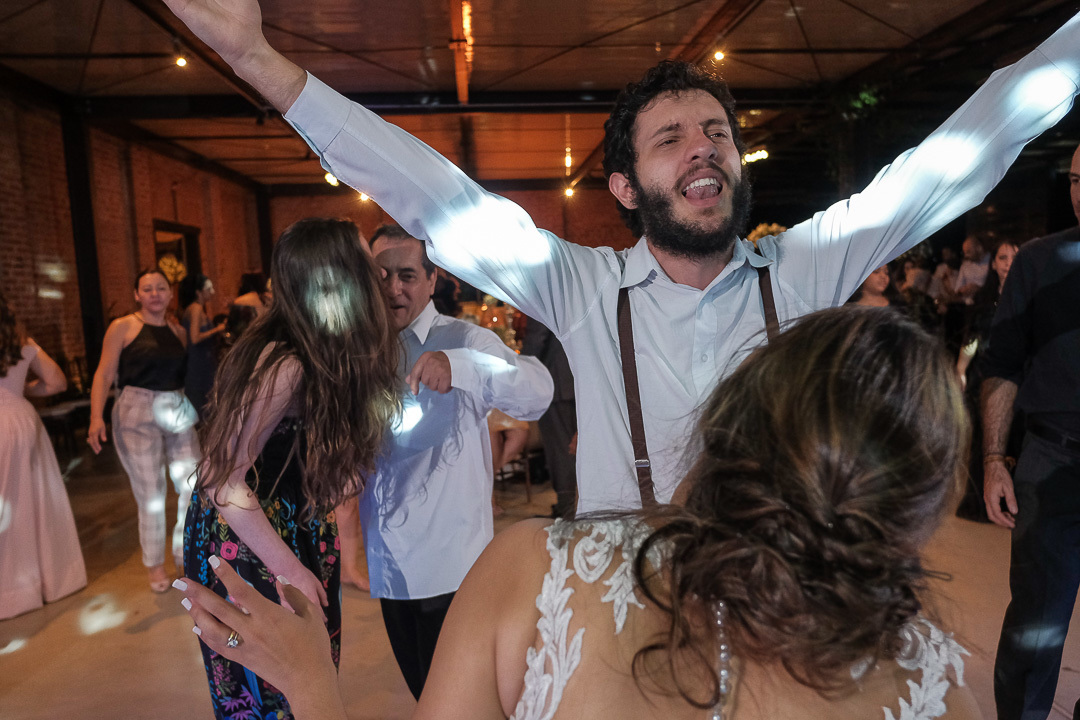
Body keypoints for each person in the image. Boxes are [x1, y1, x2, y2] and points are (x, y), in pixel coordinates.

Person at [161, 0, 1080, 514]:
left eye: (716, 133)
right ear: (627, 188)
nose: (703, 148)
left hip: (788, 587)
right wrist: (266, 65)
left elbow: (963, 150)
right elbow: (432, 193)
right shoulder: (581, 284)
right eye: (671, 138)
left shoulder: (806, 266)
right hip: (626, 600)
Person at [175, 305, 980, 720]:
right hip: (394, 554)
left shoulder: (540, 566)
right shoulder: (944, 692)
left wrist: (313, 688)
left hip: (455, 551)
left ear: (729, 427)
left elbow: (532, 388)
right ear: (921, 513)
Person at [182, 218, 400, 720]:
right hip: (251, 536)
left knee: (307, 678)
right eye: (367, 263)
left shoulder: (325, 347)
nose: (380, 275)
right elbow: (221, 480)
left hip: (295, 524)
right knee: (273, 688)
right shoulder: (286, 362)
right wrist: (290, 568)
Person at [356, 223, 552, 699]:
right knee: (422, 694)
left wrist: (462, 367)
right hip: (389, 562)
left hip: (453, 563)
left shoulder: (465, 340)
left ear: (431, 279)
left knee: (461, 701)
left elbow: (537, 391)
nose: (394, 288)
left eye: (407, 275)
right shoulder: (361, 349)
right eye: (382, 276)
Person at [982, 142, 1080, 720]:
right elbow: (1002, 366)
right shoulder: (1038, 261)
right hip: (1050, 464)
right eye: (1076, 180)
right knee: (1036, 625)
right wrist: (995, 459)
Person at [88, 268, 199, 593]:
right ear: (137, 294)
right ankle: (154, 565)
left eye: (160, 288)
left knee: (193, 484)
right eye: (147, 289)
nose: (154, 294)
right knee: (150, 491)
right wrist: (96, 417)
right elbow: (104, 373)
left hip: (176, 405)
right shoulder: (123, 326)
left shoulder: (178, 331)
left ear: (170, 293)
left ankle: (183, 552)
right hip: (137, 408)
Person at [0, 292, 87, 620]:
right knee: (32, 501)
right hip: (20, 420)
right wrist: (20, 390)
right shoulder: (21, 343)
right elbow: (57, 382)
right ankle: (44, 582)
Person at [953, 240, 1019, 522]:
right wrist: (961, 369)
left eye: (1014, 257)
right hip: (985, 378)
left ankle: (1011, 503)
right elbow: (972, 340)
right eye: (1003, 257)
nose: (1008, 263)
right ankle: (979, 503)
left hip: (1021, 380)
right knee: (984, 439)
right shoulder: (984, 302)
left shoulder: (1029, 298)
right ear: (993, 264)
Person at [521, 320, 577, 518]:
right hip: (578, 376)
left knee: (561, 449)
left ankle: (567, 508)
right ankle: (578, 505)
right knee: (576, 447)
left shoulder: (546, 297)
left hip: (556, 380)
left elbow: (537, 337)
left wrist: (522, 372)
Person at [179, 273, 226, 419]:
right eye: (208, 288)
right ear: (198, 292)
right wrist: (218, 329)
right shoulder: (196, 308)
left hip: (201, 361)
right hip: (199, 363)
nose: (212, 292)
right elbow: (194, 338)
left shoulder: (193, 308)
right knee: (203, 403)